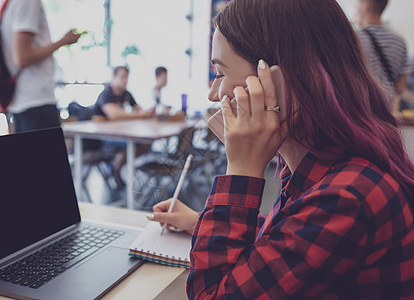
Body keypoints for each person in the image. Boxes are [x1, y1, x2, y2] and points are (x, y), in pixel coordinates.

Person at [148, 0, 414, 298]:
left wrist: (241, 169)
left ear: (276, 82)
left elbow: (211, 294)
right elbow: (292, 234)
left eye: (220, 74)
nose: (213, 94)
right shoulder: (324, 168)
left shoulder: (345, 197)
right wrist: (201, 223)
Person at [0, 0, 82, 133]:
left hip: (24, 100)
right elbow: (22, 58)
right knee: (47, 153)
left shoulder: (9, 4)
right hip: (36, 101)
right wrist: (63, 41)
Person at [93, 65, 155, 186]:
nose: (125, 80)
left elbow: (140, 110)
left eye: (126, 77)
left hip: (121, 134)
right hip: (103, 137)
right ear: (114, 77)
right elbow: (114, 115)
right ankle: (117, 165)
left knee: (147, 143)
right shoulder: (106, 94)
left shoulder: (126, 94)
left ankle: (118, 163)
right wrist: (140, 115)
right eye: (122, 77)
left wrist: (146, 113)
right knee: (138, 143)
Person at [355, 0, 411, 114]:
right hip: (387, 113)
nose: (354, 12)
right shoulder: (400, 42)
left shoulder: (355, 39)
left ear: (366, 5)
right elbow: (401, 85)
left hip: (362, 112)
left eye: (356, 6)